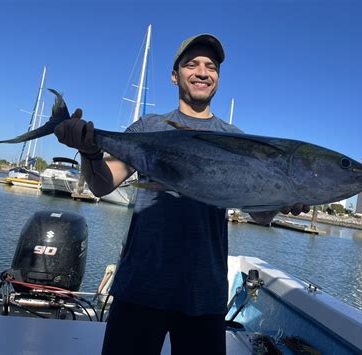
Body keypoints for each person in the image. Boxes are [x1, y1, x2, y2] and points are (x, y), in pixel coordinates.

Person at [54, 34, 309, 355]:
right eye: (192, 64)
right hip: (141, 285)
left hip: (203, 293)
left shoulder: (235, 140)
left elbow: (258, 213)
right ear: (175, 75)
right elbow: (103, 184)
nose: (203, 72)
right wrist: (90, 151)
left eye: (211, 66)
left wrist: (285, 198)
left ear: (217, 78)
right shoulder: (149, 127)